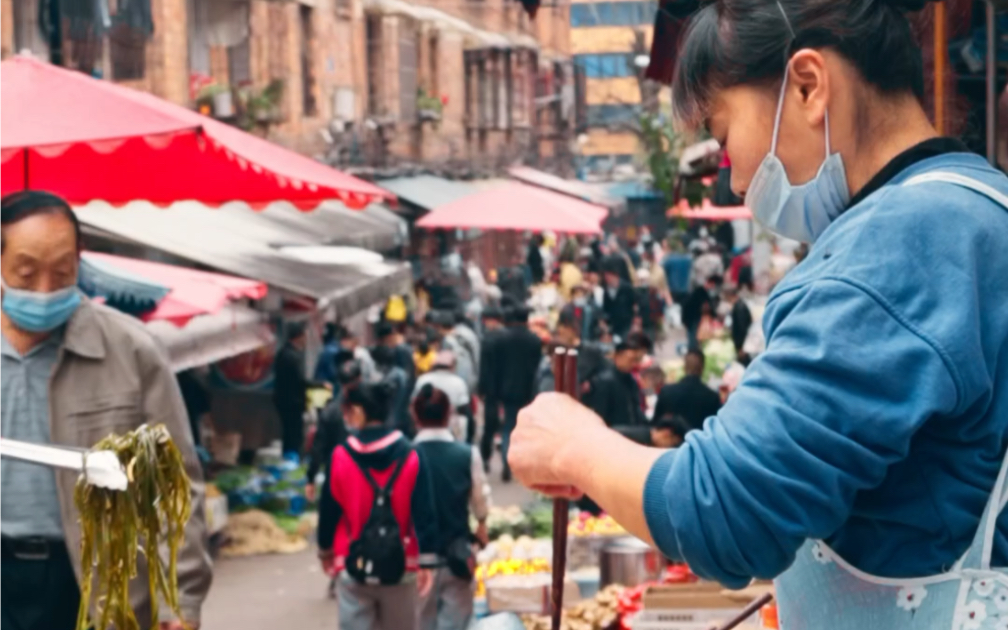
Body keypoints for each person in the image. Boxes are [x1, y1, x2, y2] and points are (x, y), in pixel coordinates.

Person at [506, 1, 1008, 627]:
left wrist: (573, 446)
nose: (737, 179)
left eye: (722, 135)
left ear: (808, 86)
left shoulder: (902, 241)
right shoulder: (981, 202)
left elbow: (722, 510)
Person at [0, 191, 212, 630]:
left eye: (61, 273)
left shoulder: (131, 351)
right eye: (26, 273)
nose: (44, 290)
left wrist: (180, 602)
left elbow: (175, 487)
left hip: (93, 585)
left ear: (80, 261)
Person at [317, 382, 438, 630]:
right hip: (402, 565)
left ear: (359, 412)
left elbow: (328, 510)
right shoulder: (412, 456)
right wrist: (426, 563)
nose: (346, 417)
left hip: (353, 563)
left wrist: (325, 549)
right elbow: (425, 514)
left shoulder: (340, 456)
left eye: (348, 410)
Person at [412, 385, 491, 630]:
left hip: (416, 559)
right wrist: (481, 524)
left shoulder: (406, 455)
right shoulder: (466, 454)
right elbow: (480, 499)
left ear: (415, 416)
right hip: (456, 555)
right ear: (449, 415)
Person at [494, 305, 543, 482]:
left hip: (507, 389)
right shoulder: (535, 340)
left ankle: (507, 461)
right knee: (525, 426)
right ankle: (524, 464)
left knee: (508, 426)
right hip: (528, 390)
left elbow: (498, 368)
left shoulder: (502, 339)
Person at [581, 332, 650, 430]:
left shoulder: (631, 380)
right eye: (630, 359)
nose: (633, 364)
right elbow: (600, 414)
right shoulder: (604, 381)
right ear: (618, 356)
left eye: (636, 360)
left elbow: (635, 410)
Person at [273, 322, 318, 459]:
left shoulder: (282, 353)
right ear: (298, 337)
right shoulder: (293, 356)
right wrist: (319, 385)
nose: (305, 340)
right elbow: (300, 380)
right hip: (293, 402)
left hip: (283, 401)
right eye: (304, 336)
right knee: (294, 435)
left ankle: (288, 459)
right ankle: (291, 461)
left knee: (288, 433)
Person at [651, 348, 722, 431]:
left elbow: (656, 424)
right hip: (698, 442)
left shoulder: (666, 391)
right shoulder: (712, 397)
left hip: (671, 442)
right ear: (702, 368)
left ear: (684, 367)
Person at [412, 351, 474, 443]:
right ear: (453, 366)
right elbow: (463, 409)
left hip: (424, 427)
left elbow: (413, 404)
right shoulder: (458, 382)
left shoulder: (422, 380)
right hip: (450, 429)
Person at [478, 306, 507, 473]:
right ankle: (505, 460)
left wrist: (481, 388)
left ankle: (485, 457)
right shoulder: (506, 338)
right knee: (506, 425)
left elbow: (484, 367)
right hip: (506, 386)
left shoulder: (487, 339)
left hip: (490, 389)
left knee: (489, 425)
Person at [601, 257, 636, 341]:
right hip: (614, 326)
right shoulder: (606, 291)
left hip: (626, 325)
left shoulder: (626, 288)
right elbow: (606, 308)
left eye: (608, 275)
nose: (606, 278)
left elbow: (634, 305)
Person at [681, 275, 720, 349]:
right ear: (710, 283)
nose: (713, 287)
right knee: (693, 337)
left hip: (691, 318)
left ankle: (693, 352)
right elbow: (705, 306)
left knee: (694, 336)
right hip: (692, 318)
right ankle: (693, 354)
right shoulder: (700, 292)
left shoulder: (701, 292)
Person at [721, 285, 753, 360]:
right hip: (743, 345)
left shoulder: (739, 308)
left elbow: (742, 328)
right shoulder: (738, 306)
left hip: (743, 346)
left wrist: (741, 346)